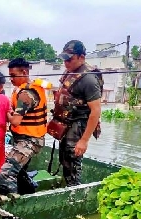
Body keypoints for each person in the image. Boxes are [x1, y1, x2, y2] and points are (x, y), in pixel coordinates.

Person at [52, 40, 102, 186]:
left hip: (79, 124)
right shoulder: (70, 72)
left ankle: (74, 193)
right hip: (66, 123)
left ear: (81, 56)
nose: (66, 63)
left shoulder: (89, 79)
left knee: (73, 161)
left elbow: (96, 111)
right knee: (65, 158)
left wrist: (84, 140)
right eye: (64, 59)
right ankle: (68, 187)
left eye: (69, 59)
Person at [1, 58, 51, 195]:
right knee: (19, 173)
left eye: (13, 75)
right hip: (25, 138)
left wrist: (6, 113)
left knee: (6, 173)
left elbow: (15, 121)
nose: (10, 79)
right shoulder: (24, 89)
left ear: (24, 72)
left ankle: (12, 206)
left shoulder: (26, 93)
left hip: (30, 141)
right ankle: (28, 194)